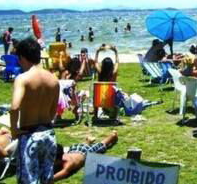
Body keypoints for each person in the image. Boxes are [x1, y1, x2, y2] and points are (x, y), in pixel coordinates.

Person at [10, 37, 59, 184]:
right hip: (48, 133)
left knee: (29, 180)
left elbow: (14, 107)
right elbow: (52, 112)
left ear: (22, 57)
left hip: (29, 134)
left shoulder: (23, 79)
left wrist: (14, 130)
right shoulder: (53, 79)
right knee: (47, 178)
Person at [53, 131, 118, 181]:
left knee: (101, 145)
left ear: (59, 159)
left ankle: (112, 136)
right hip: (73, 149)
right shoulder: (60, 157)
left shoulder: (69, 163)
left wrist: (50, 179)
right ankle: (88, 141)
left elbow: (64, 173)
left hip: (85, 151)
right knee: (84, 145)